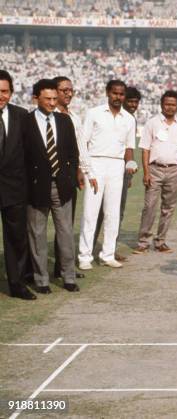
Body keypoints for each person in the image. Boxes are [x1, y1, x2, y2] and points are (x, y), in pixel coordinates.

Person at [23, 79, 80, 294]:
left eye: (55, 99)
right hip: (36, 188)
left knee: (65, 233)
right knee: (37, 234)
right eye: (48, 99)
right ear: (36, 98)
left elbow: (73, 154)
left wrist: (70, 177)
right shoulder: (25, 122)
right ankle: (41, 280)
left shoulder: (64, 121)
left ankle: (69, 277)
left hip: (62, 186)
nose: (52, 102)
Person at [78, 80, 136, 270]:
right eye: (115, 93)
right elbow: (83, 142)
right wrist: (85, 168)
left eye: (121, 94)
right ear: (108, 93)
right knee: (90, 212)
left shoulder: (128, 118)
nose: (118, 97)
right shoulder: (94, 113)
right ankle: (85, 256)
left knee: (113, 214)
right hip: (95, 162)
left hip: (116, 166)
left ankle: (107, 254)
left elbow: (129, 147)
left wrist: (130, 163)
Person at [132, 90, 177, 254]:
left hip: (174, 170)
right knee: (149, 206)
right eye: (167, 104)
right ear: (161, 105)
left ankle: (160, 241)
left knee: (168, 208)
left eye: (173, 104)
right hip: (155, 169)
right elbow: (145, 149)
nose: (170, 107)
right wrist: (146, 172)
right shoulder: (153, 123)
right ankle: (143, 242)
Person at [93, 86, 141, 261]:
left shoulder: (130, 119)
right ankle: (92, 247)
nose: (133, 105)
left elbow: (129, 147)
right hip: (103, 168)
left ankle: (109, 249)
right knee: (97, 211)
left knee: (116, 212)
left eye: (136, 102)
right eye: (130, 101)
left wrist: (129, 173)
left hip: (121, 171)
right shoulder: (106, 116)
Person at [0, 70, 36, 300]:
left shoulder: (22, 116)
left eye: (4, 91)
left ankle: (17, 284)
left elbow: (30, 154)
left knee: (16, 238)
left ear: (11, 93)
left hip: (14, 188)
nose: (0, 96)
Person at [52, 75, 89, 281]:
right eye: (64, 90)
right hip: (47, 177)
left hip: (69, 177)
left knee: (66, 225)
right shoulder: (48, 115)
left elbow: (79, 149)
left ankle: (63, 267)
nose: (68, 93)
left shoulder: (74, 116)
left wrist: (81, 171)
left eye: (70, 90)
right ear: (54, 92)